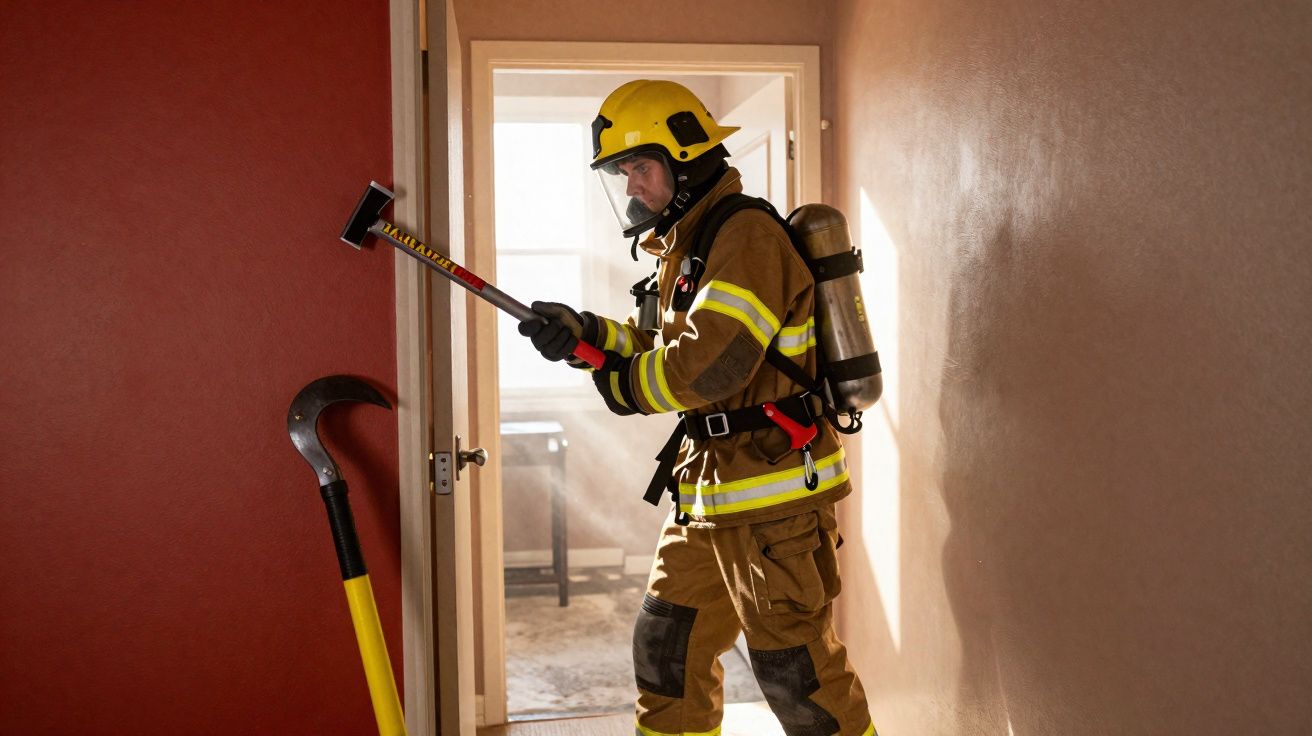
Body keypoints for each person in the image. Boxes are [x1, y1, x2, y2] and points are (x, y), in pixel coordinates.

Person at [519, 79, 877, 736]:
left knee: (798, 676)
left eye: (640, 167)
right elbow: (664, 344)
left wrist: (621, 386)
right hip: (708, 495)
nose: (630, 186)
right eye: (621, 172)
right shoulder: (688, 245)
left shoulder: (745, 236)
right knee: (668, 652)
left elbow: (712, 364)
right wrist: (586, 334)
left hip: (772, 502)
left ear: (686, 159)